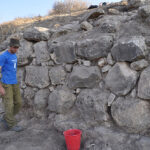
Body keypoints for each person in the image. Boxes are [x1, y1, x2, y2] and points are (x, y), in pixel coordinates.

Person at [0, 38, 23, 132]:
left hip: (14, 82)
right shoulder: (3, 56)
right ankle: (11, 124)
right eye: (15, 47)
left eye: (17, 47)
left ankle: (6, 117)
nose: (16, 49)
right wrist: (0, 87)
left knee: (18, 103)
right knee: (9, 105)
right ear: (10, 46)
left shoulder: (15, 55)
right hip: (6, 84)